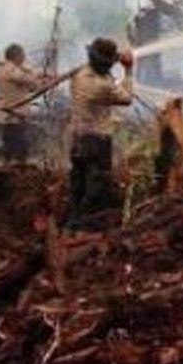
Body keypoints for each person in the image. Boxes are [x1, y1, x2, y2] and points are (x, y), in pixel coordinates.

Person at [68, 38, 134, 226]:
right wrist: (128, 69)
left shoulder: (79, 75)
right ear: (105, 64)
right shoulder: (102, 86)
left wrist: (111, 62)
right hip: (96, 141)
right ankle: (87, 230)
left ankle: (72, 223)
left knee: (78, 185)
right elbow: (127, 98)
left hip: (77, 138)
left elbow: (103, 73)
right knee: (97, 187)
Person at [0, 43, 46, 163]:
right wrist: (38, 76)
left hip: (13, 119)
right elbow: (31, 81)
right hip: (13, 119)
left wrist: (40, 80)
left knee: (13, 153)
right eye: (22, 55)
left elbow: (31, 88)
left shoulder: (7, 69)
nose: (24, 58)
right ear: (16, 56)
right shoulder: (11, 70)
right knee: (18, 154)